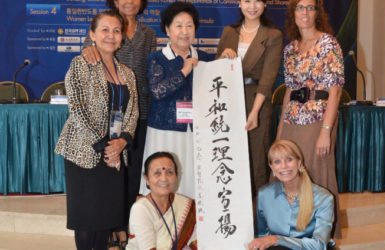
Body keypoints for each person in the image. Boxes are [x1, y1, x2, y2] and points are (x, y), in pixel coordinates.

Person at [55, 10, 138, 250]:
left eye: (116, 31)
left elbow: (133, 112)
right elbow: (78, 108)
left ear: (122, 36)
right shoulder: (81, 64)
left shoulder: (127, 73)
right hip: (85, 152)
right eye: (105, 29)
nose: (111, 36)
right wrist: (103, 146)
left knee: (106, 218)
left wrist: (122, 141)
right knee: (86, 220)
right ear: (92, 34)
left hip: (114, 153)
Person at [82, 0, 156, 246]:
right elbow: (87, 58)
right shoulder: (105, 28)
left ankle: (125, 227)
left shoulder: (149, 33)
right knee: (109, 176)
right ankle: (109, 226)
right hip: (107, 118)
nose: (129, 1)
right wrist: (87, 49)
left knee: (131, 173)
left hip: (139, 113)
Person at [275, 0, 344, 238]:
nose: (304, 12)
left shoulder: (328, 43)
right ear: (293, 14)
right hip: (293, 120)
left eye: (309, 7)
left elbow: (335, 90)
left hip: (318, 118)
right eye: (299, 8)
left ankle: (321, 236)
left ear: (317, 13)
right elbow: (288, 91)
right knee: (289, 173)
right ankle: (294, 232)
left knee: (316, 172)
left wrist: (326, 130)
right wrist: (280, 132)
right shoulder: (290, 49)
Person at [139, 2, 213, 198]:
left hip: (196, 131)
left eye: (189, 25)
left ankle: (191, 226)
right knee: (164, 183)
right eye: (178, 25)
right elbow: (157, 91)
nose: (184, 31)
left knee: (193, 183)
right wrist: (184, 71)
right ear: (167, 29)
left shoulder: (206, 58)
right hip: (164, 132)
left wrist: (227, 58)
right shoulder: (157, 58)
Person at [216, 0, 283, 194]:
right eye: (247, 1)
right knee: (229, 156)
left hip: (257, 103)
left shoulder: (273, 35)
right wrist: (222, 58)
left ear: (265, 5)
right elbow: (217, 73)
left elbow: (268, 79)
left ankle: (257, 212)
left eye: (257, 1)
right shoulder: (229, 31)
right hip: (229, 101)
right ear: (239, 4)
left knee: (257, 160)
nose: (252, 6)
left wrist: (255, 112)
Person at [248, 140, 334, 250]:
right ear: (272, 167)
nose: (284, 166)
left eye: (289, 160)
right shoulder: (264, 195)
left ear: (299, 163)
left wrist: (277, 240)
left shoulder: (323, 198)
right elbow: (262, 236)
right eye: (277, 161)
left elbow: (319, 245)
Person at [126, 152, 197, 250]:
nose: (164, 178)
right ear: (147, 179)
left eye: (169, 172)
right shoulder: (141, 209)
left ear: (176, 176)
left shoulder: (185, 204)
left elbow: (196, 242)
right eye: (157, 173)